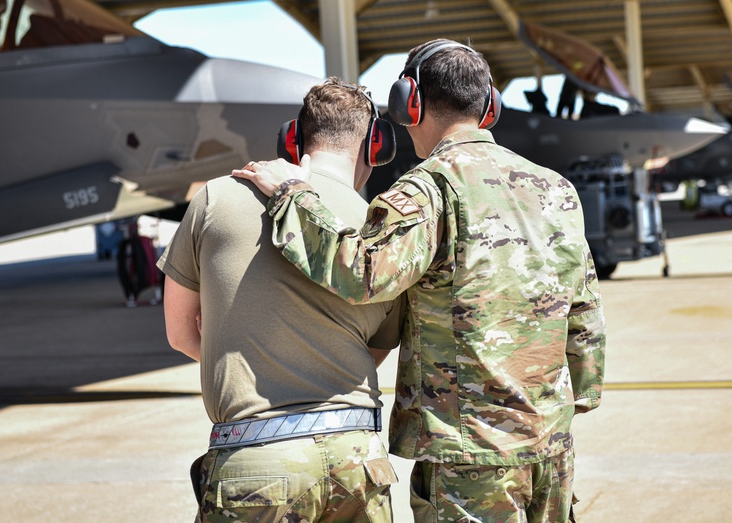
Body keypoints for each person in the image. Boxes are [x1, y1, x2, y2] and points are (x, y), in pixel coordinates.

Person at [234, 39, 606, 523]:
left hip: (470, 454)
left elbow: (363, 274)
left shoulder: (428, 188)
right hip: (551, 447)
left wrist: (292, 196)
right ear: (489, 106)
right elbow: (583, 312)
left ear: (409, 101)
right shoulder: (555, 188)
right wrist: (565, 404)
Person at [158, 79, 405, 523]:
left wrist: (248, 359)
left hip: (255, 458)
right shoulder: (383, 233)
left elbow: (180, 333)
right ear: (375, 146)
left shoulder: (215, 197)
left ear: (292, 139)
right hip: (359, 460)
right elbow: (375, 351)